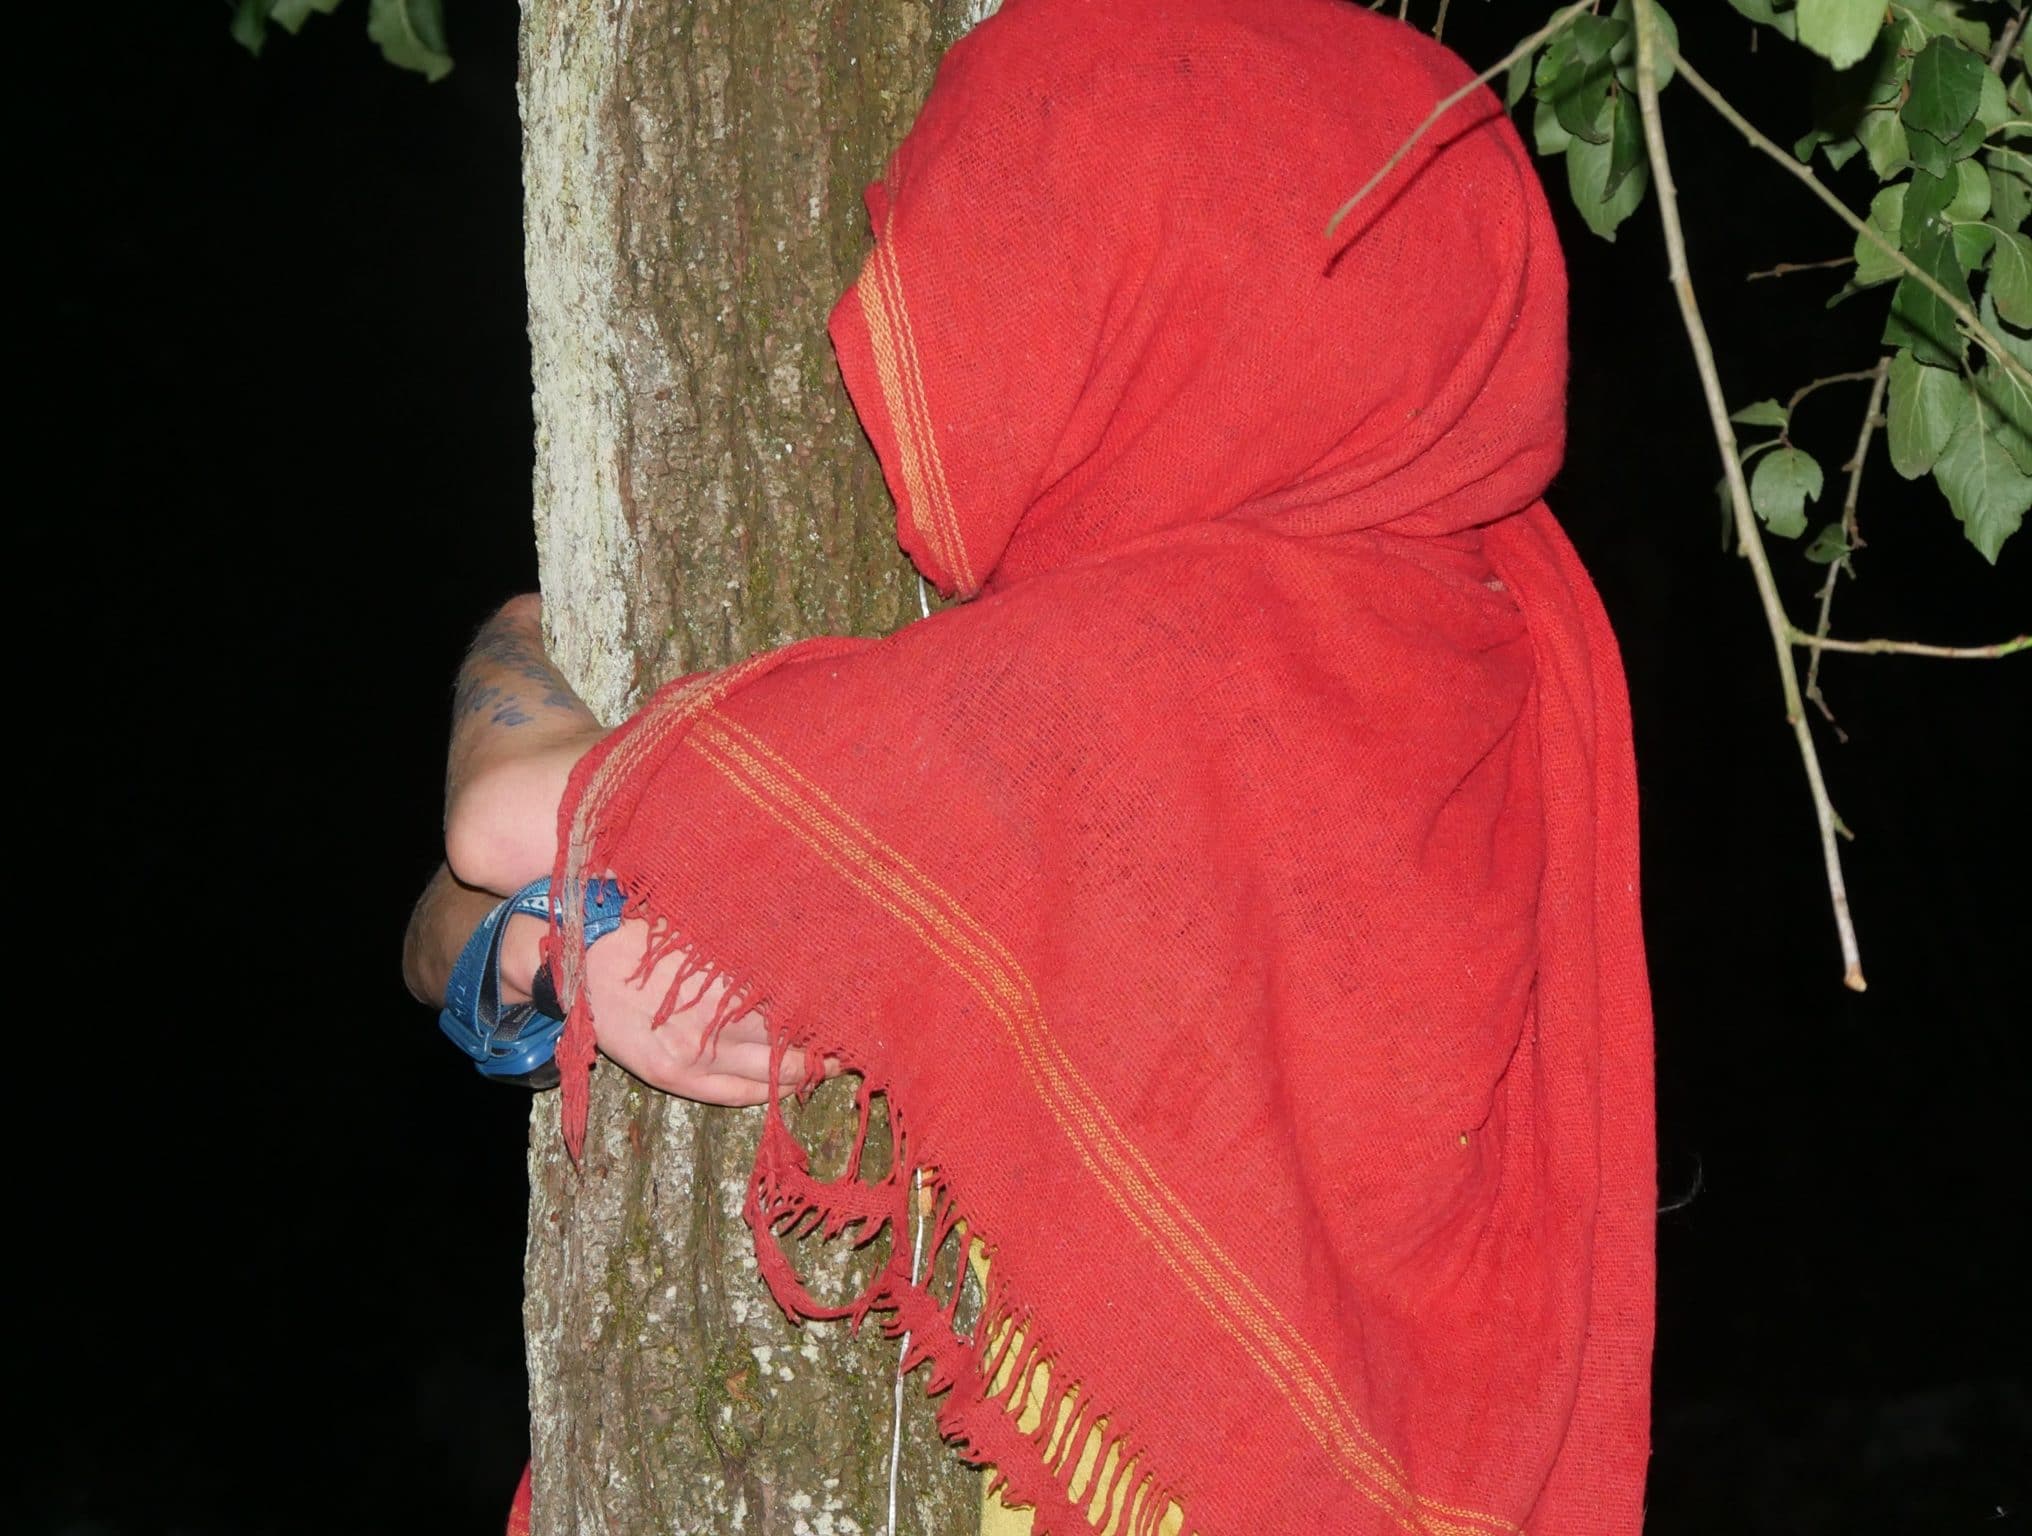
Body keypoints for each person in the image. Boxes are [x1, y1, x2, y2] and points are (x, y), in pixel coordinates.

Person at [406, 0, 1656, 1531]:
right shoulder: (1476, 639)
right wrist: (530, 949)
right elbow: (458, 925)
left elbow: (506, 820)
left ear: (1181, 281)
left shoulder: (1175, 671)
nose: (902, 301)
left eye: (1027, 230)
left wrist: (519, 641)